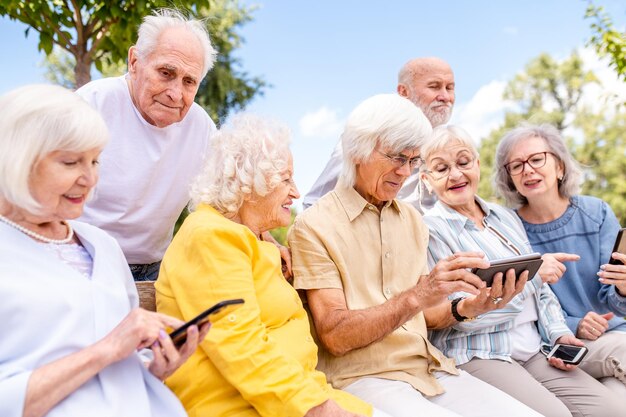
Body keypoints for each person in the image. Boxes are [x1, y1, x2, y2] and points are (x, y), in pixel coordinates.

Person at [289, 94, 541, 417]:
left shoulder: (411, 220)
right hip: (363, 378)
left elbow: (426, 313)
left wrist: (469, 307)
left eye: (413, 161)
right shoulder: (314, 226)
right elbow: (335, 336)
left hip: (429, 371)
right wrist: (417, 295)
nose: (404, 172)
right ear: (357, 151)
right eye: (397, 158)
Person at [155, 114, 386, 417]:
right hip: (235, 404)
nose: (296, 191)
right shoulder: (208, 236)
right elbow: (241, 346)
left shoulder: (248, 237)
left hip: (292, 396)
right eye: (285, 178)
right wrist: (318, 409)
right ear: (250, 183)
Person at [0, 84, 209, 417]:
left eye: (95, 161)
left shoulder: (103, 246)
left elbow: (124, 360)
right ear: (17, 162)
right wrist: (108, 349)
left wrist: (155, 368)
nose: (90, 178)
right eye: (70, 162)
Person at [420, 124, 622, 417]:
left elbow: (544, 292)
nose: (455, 174)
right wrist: (532, 277)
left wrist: (559, 334)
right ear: (426, 180)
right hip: (481, 352)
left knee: (612, 411)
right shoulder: (431, 230)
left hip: (535, 347)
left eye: (463, 162)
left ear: (477, 164)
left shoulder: (503, 217)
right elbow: (461, 316)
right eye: (441, 169)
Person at [76, 8, 217, 281]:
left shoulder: (202, 128)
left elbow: (231, 194)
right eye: (166, 73)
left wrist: (266, 238)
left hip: (153, 268)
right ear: (134, 62)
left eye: (189, 82)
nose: (176, 93)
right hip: (83, 260)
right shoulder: (91, 105)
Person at [494, 123, 626, 395]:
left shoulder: (596, 212)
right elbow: (522, 304)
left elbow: (615, 299)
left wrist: (623, 288)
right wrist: (576, 323)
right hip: (561, 345)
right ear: (510, 178)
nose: (527, 170)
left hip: (615, 335)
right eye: (516, 165)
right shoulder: (507, 230)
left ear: (560, 167)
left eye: (537, 159)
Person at [302, 57, 455, 211]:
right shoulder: (370, 133)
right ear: (404, 92)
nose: (445, 97)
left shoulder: (451, 144)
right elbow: (314, 204)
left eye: (449, 88)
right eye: (434, 87)